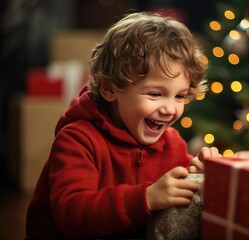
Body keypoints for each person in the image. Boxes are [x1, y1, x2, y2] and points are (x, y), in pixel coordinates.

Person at [25, 11, 220, 239]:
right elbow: (71, 213)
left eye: (180, 96)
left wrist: (197, 170)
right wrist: (145, 197)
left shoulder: (171, 143)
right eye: (156, 94)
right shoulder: (78, 139)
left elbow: (179, 188)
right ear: (110, 89)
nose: (170, 109)